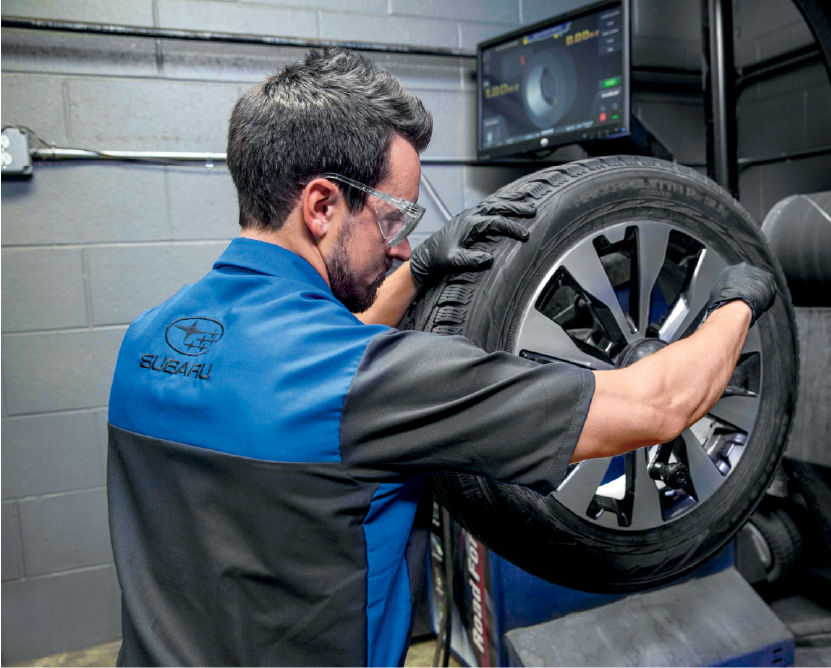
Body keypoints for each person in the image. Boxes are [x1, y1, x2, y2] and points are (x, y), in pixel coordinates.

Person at [106, 48, 775, 668]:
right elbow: (655, 406)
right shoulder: (372, 384)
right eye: (393, 220)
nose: (399, 244)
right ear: (320, 205)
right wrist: (734, 305)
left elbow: (297, 375)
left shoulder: (146, 342)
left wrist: (416, 272)